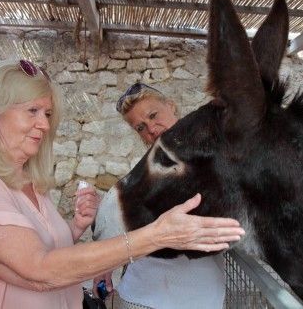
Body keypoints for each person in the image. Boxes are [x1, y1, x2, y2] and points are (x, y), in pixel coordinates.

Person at [0, 60, 245, 309]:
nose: (44, 124)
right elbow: (38, 269)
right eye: (32, 111)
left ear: (173, 107)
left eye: (48, 113)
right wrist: (156, 236)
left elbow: (46, 246)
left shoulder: (29, 186)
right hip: (151, 296)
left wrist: (76, 227)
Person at [92, 83, 229, 309]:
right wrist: (106, 265)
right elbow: (128, 226)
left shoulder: (214, 157)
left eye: (153, 115)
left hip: (199, 298)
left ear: (171, 106)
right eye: (140, 128)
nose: (151, 129)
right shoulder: (146, 173)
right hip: (141, 297)